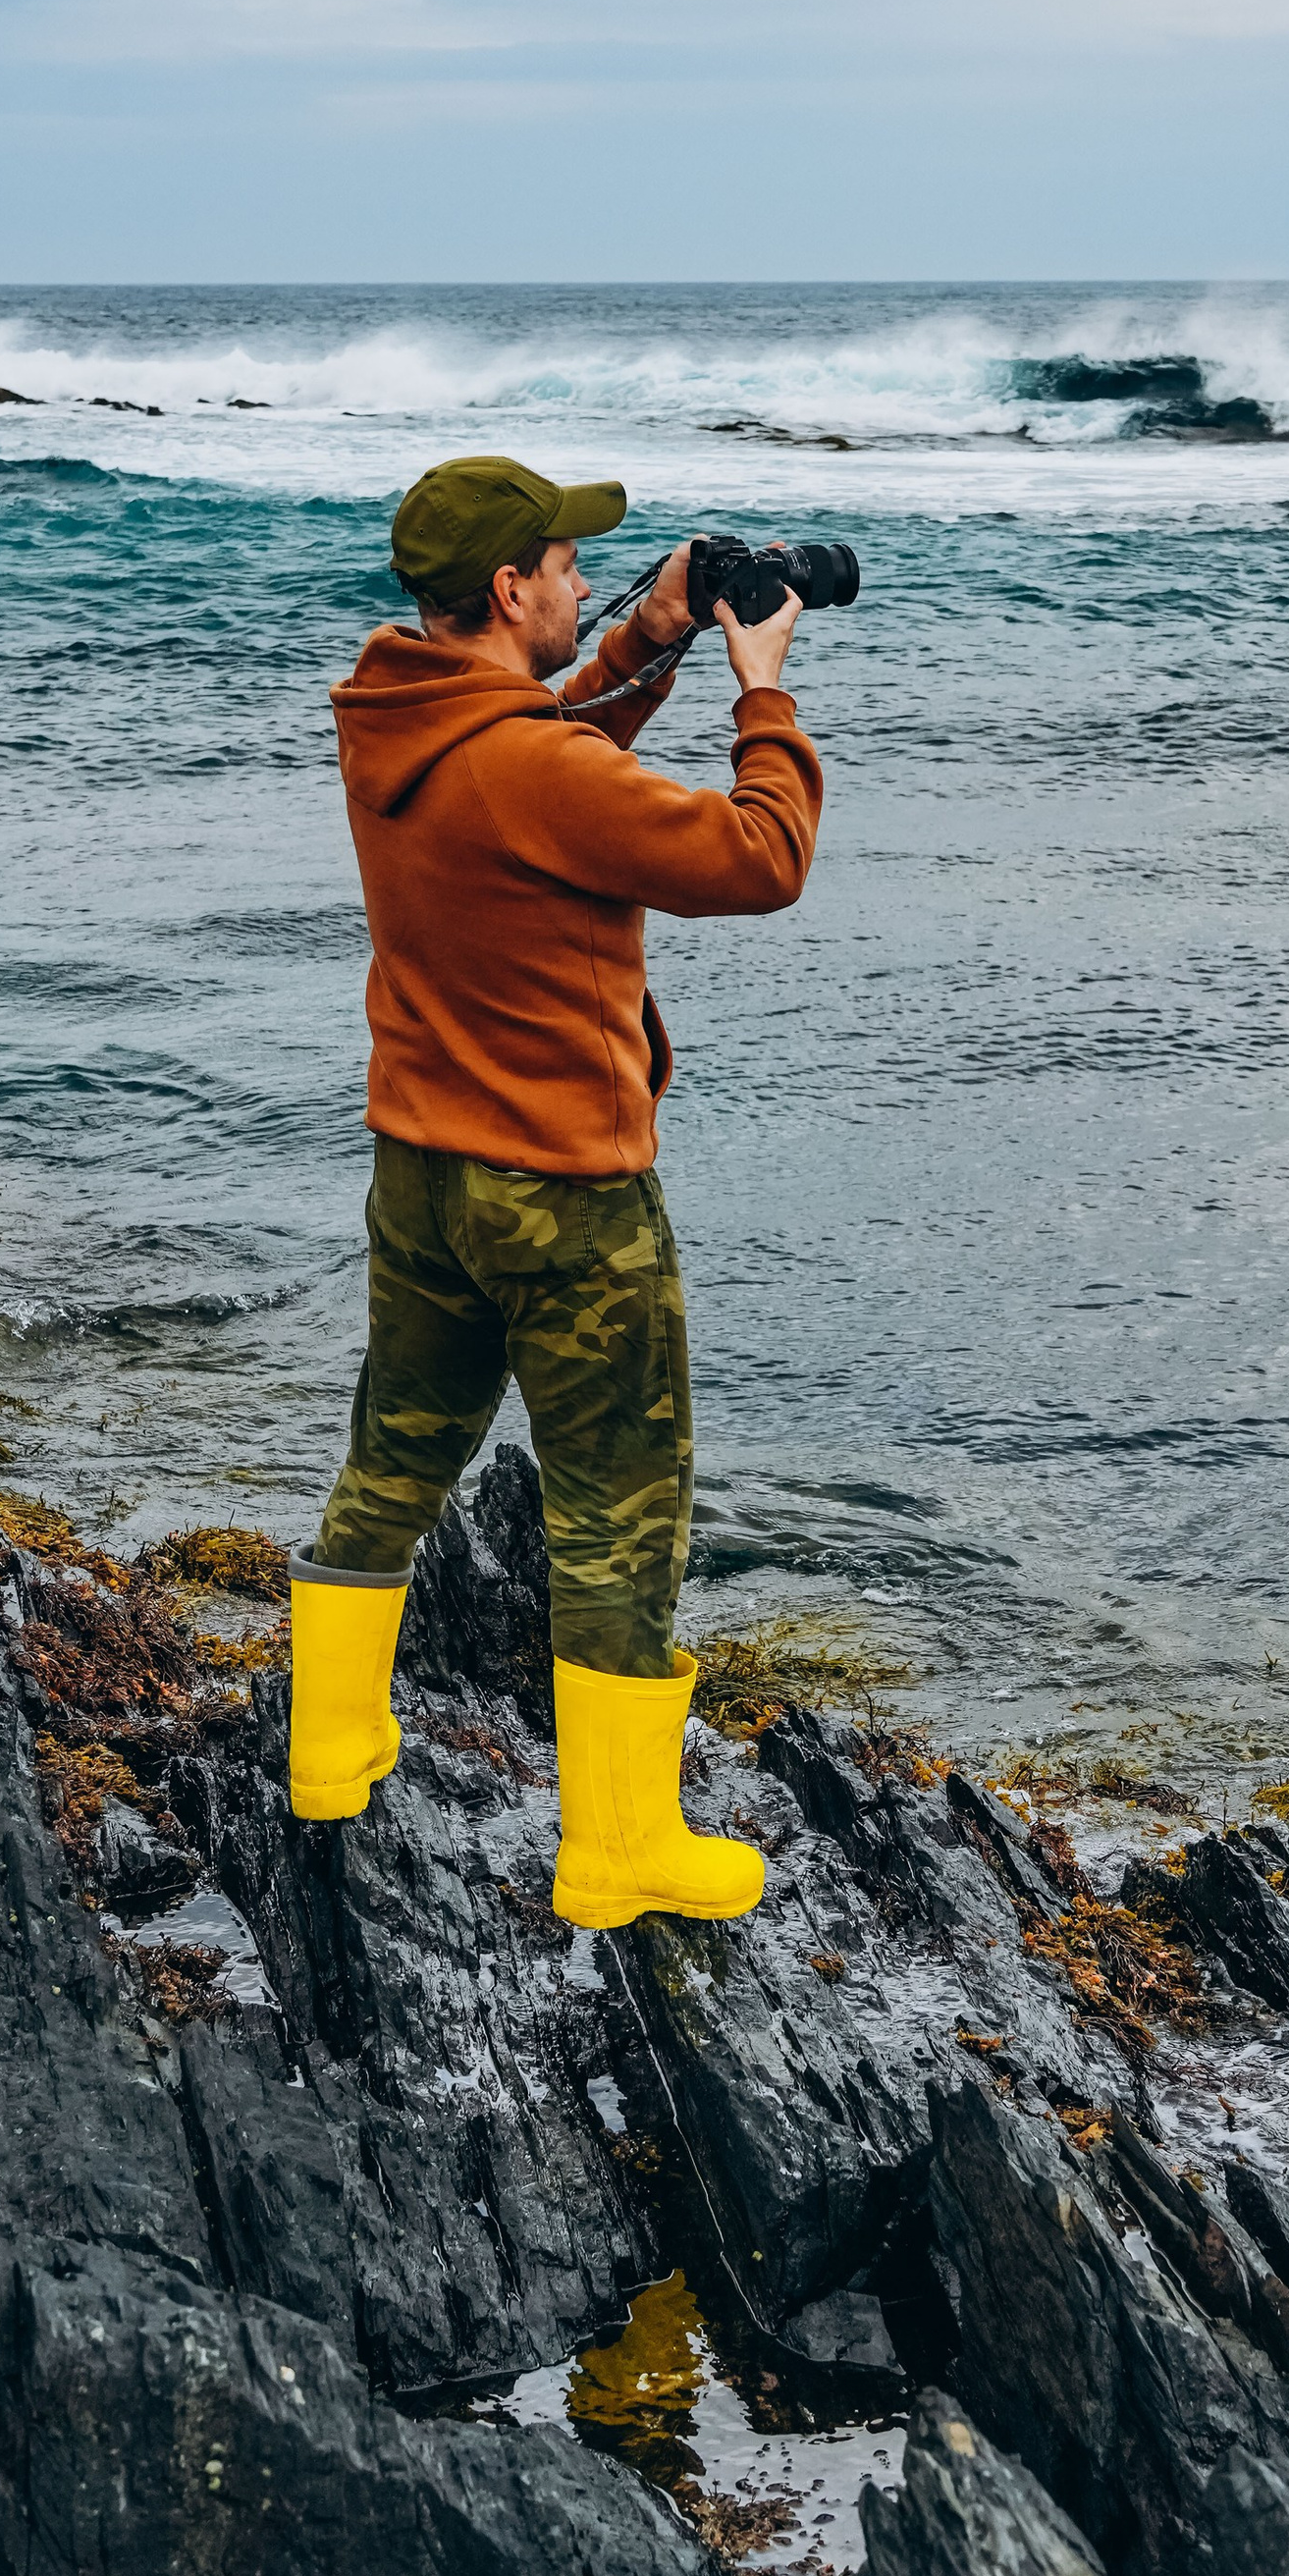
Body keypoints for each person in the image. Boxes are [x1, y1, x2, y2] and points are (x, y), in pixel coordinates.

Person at [289, 453, 822, 1928]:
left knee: (396, 1454)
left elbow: (538, 736)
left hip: (423, 1172)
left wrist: (647, 638)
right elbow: (759, 857)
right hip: (564, 1197)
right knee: (618, 1513)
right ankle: (617, 1851)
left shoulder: (391, 716)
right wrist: (759, 691)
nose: (587, 581)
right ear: (512, 586)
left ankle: (330, 1752)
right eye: (573, 569)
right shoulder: (533, 766)